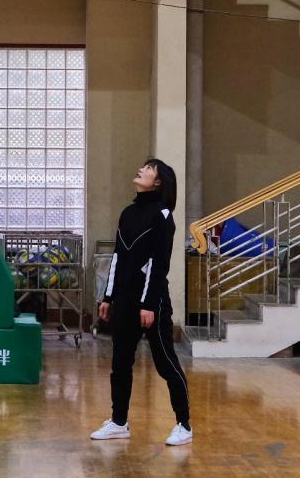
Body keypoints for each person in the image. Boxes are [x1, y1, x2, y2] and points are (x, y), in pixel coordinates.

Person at [90, 159, 192, 446]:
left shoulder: (162, 216)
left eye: (149, 168)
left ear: (158, 181)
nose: (141, 170)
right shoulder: (128, 213)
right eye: (143, 167)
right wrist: (108, 297)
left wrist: (148, 304)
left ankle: (184, 425)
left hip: (152, 302)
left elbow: (158, 265)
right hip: (124, 300)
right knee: (120, 363)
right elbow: (118, 258)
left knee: (166, 364)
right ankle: (119, 422)